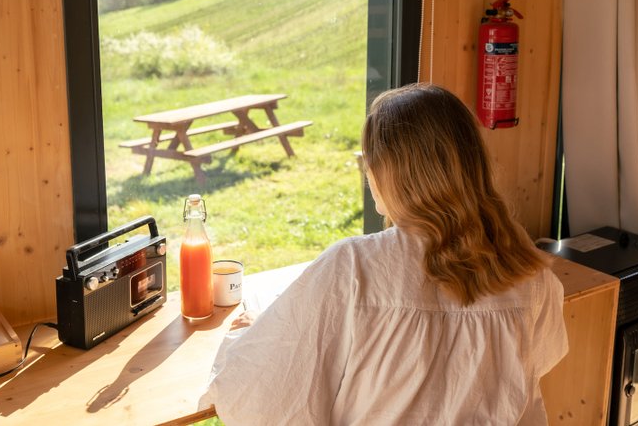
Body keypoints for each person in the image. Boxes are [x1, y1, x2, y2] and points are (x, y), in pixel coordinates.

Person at [199, 83, 568, 425]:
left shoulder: (354, 268)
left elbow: (258, 399)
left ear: (387, 174)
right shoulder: (531, 275)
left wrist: (247, 338)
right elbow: (535, 366)